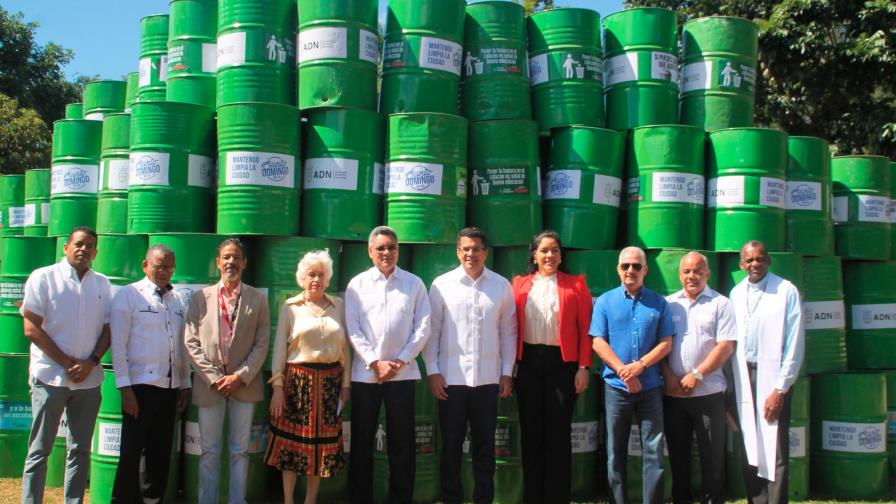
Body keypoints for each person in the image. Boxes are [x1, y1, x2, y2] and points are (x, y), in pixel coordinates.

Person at [422, 227, 516, 504]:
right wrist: (433, 370)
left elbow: (508, 332)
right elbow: (432, 330)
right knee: (450, 446)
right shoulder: (442, 285)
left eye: (476, 249)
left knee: (485, 448)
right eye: (465, 249)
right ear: (457, 252)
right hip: (451, 381)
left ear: (485, 252)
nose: (470, 254)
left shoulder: (501, 286)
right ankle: (451, 498)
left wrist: (507, 372)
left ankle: (483, 498)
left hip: (488, 381)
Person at [19, 226, 111, 504]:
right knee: (40, 450)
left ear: (96, 252)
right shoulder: (43, 277)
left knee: (81, 449)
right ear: (66, 247)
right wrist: (66, 363)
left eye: (90, 246)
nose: (84, 250)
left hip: (89, 381)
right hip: (50, 377)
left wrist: (91, 362)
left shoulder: (102, 283)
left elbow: (108, 328)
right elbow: (30, 327)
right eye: (79, 244)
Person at [344, 226, 431, 504]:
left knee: (402, 445)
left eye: (391, 247)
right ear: (370, 252)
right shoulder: (356, 285)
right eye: (380, 248)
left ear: (398, 250)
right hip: (365, 375)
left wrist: (400, 361)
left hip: (402, 375)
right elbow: (353, 328)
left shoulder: (414, 284)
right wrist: (374, 362)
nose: (386, 252)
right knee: (361, 444)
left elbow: (423, 327)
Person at [183, 237, 270, 504]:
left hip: (244, 385)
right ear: (218, 262)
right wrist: (214, 378)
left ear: (244, 263)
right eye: (226, 257)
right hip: (210, 387)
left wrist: (240, 376)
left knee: (239, 450)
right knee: (209, 451)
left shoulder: (258, 298)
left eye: (236, 257)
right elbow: (191, 341)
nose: (231, 262)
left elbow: (262, 343)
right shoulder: (201, 298)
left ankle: (236, 501)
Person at [510, 230, 592, 504]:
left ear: (561, 255)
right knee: (531, 432)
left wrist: (583, 367)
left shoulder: (576, 285)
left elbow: (585, 330)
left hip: (562, 365)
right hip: (528, 364)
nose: (549, 255)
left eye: (554, 250)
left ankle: (557, 497)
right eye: (543, 250)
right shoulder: (519, 285)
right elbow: (510, 328)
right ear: (534, 254)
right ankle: (533, 496)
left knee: (558, 434)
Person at [265, 250, 351, 504]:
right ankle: (289, 500)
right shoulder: (290, 308)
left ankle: (310, 500)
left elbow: (345, 349)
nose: (316, 279)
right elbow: (279, 348)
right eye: (311, 274)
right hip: (297, 384)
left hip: (329, 385)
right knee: (292, 446)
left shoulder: (339, 306)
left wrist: (345, 385)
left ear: (328, 278)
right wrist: (277, 386)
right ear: (302, 278)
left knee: (319, 448)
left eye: (321, 275)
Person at [591, 246, 674, 504]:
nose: (630, 270)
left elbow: (666, 342)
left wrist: (640, 366)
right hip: (617, 389)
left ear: (645, 270)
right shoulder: (605, 301)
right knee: (616, 452)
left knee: (654, 451)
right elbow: (598, 342)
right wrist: (624, 371)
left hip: (650, 387)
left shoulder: (659, 303)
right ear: (618, 269)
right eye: (625, 266)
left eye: (636, 266)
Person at [109, 244, 192, 502]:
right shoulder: (130, 295)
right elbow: (118, 345)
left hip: (169, 390)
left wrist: (185, 383)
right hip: (139, 389)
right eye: (159, 265)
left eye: (169, 266)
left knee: (160, 454)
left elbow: (183, 345)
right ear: (146, 265)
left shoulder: (177, 300)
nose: (164, 271)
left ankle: (153, 499)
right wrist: (125, 389)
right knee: (131, 454)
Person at [730, 240, 804, 504]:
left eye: (759, 259)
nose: (754, 265)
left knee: (775, 446)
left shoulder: (786, 291)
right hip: (743, 376)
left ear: (768, 260)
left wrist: (780, 388)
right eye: (749, 260)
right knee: (750, 442)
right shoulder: (736, 293)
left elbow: (794, 343)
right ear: (741, 264)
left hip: (772, 377)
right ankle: (756, 500)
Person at [661, 252, 736, 504]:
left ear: (708, 273)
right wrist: (668, 375)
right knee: (678, 456)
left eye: (697, 271)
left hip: (708, 393)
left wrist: (697, 374)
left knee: (712, 458)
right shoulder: (668, 304)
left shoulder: (721, 304)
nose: (691, 276)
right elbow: (660, 344)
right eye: (686, 271)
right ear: (679, 274)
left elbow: (725, 347)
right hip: (674, 395)